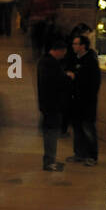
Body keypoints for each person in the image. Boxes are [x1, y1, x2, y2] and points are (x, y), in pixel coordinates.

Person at [36, 36, 71, 172]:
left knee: (51, 133)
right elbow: (56, 82)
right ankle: (49, 162)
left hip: (47, 105)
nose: (64, 56)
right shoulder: (51, 64)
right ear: (59, 50)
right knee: (51, 133)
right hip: (52, 105)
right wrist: (67, 77)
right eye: (63, 52)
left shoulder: (44, 61)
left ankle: (50, 160)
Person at [64, 33, 100, 165]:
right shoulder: (75, 59)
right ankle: (79, 153)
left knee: (88, 128)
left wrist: (76, 77)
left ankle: (92, 156)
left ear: (83, 46)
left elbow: (93, 82)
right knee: (77, 127)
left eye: (76, 44)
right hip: (75, 100)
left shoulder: (90, 61)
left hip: (87, 101)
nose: (73, 46)